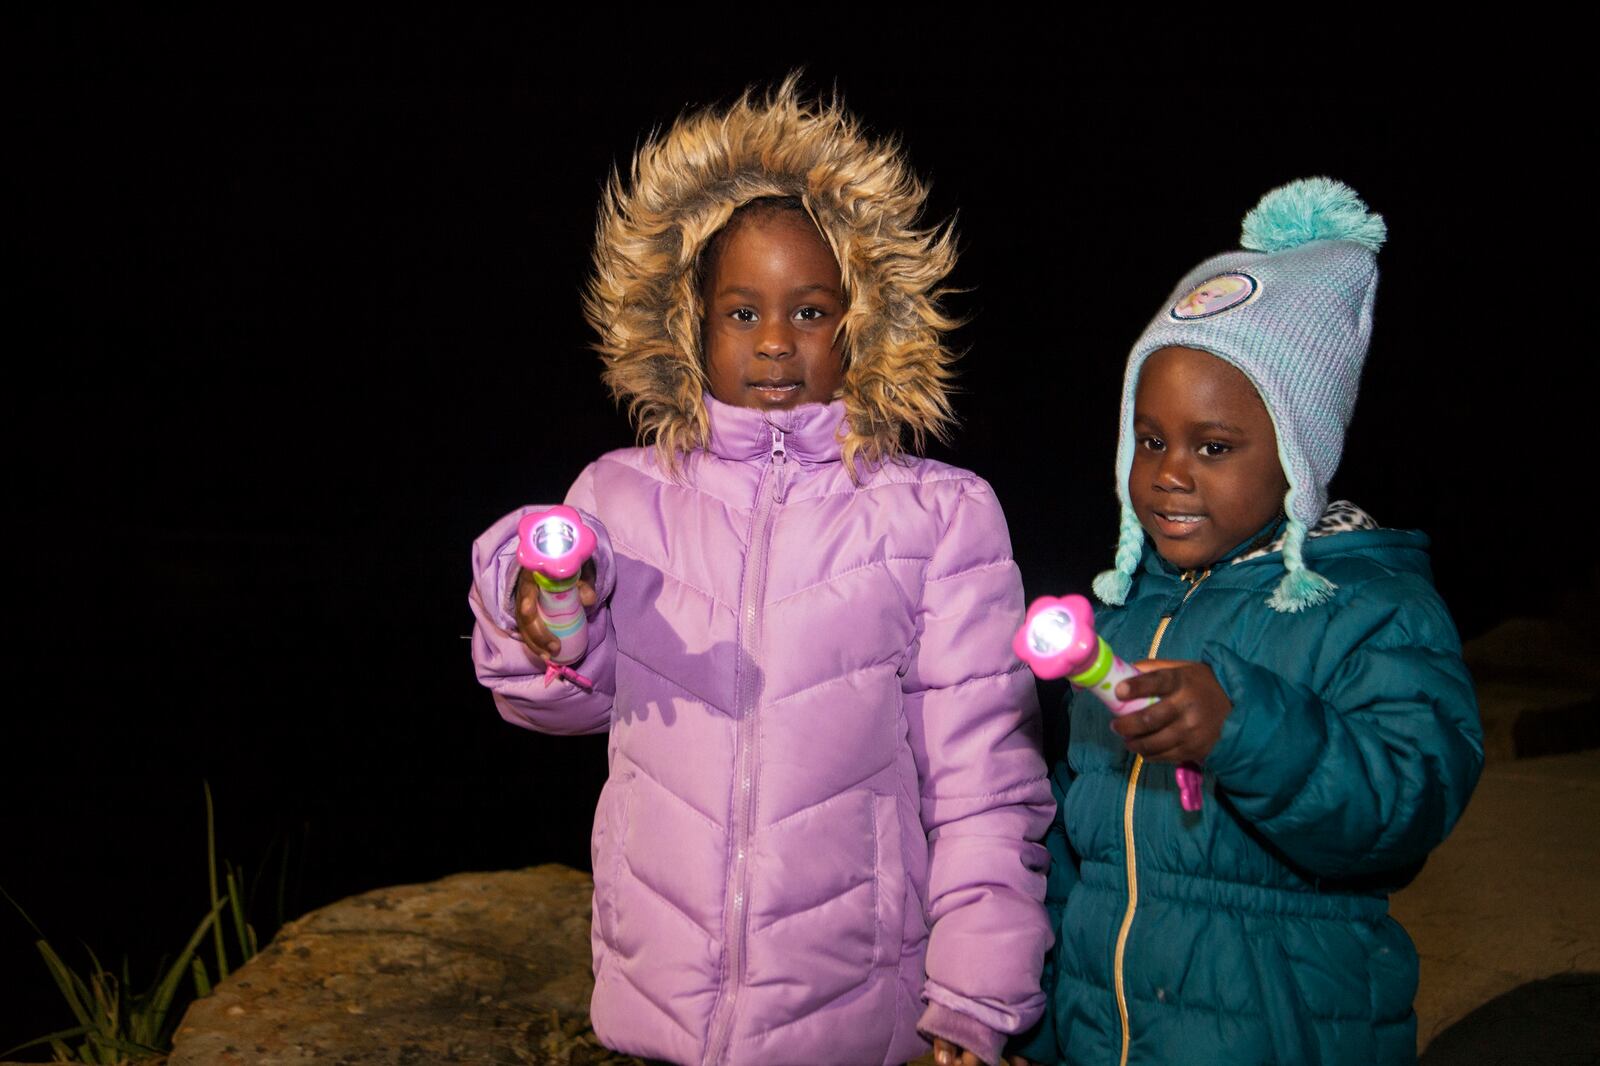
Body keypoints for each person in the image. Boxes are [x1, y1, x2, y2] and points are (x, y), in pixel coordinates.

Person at [469, 78, 1051, 1066]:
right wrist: (536, 623)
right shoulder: (618, 498)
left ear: (864, 319)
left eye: (810, 310)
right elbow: (561, 706)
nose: (775, 340)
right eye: (741, 310)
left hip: (858, 1008)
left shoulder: (940, 514)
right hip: (658, 1004)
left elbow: (984, 778)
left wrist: (975, 995)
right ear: (685, 318)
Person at [1013, 179, 1483, 1065]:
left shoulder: (1369, 604)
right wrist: (1037, 1019)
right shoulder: (1126, 608)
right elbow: (1080, 847)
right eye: (1150, 441)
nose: (1169, 475)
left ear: (1298, 452)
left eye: (1213, 447)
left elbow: (1408, 802)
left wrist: (1248, 728)